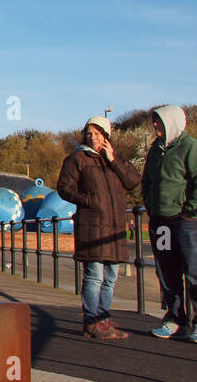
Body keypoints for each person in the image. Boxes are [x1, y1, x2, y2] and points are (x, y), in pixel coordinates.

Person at [56, 116, 141, 339]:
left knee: (111, 276)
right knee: (94, 275)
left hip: (113, 227)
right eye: (89, 133)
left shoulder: (112, 159)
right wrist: (88, 200)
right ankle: (91, 321)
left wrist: (112, 160)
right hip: (92, 225)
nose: (92, 137)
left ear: (106, 136)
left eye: (97, 133)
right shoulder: (77, 159)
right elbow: (64, 187)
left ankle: (103, 318)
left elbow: (132, 181)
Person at [142, 105, 197, 344]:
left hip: (187, 222)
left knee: (195, 271)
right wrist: (152, 209)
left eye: (159, 122)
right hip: (161, 223)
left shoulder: (191, 147)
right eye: (154, 122)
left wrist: (190, 210)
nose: (154, 126)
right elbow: (147, 182)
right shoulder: (155, 150)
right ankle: (174, 319)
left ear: (171, 122)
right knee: (166, 271)